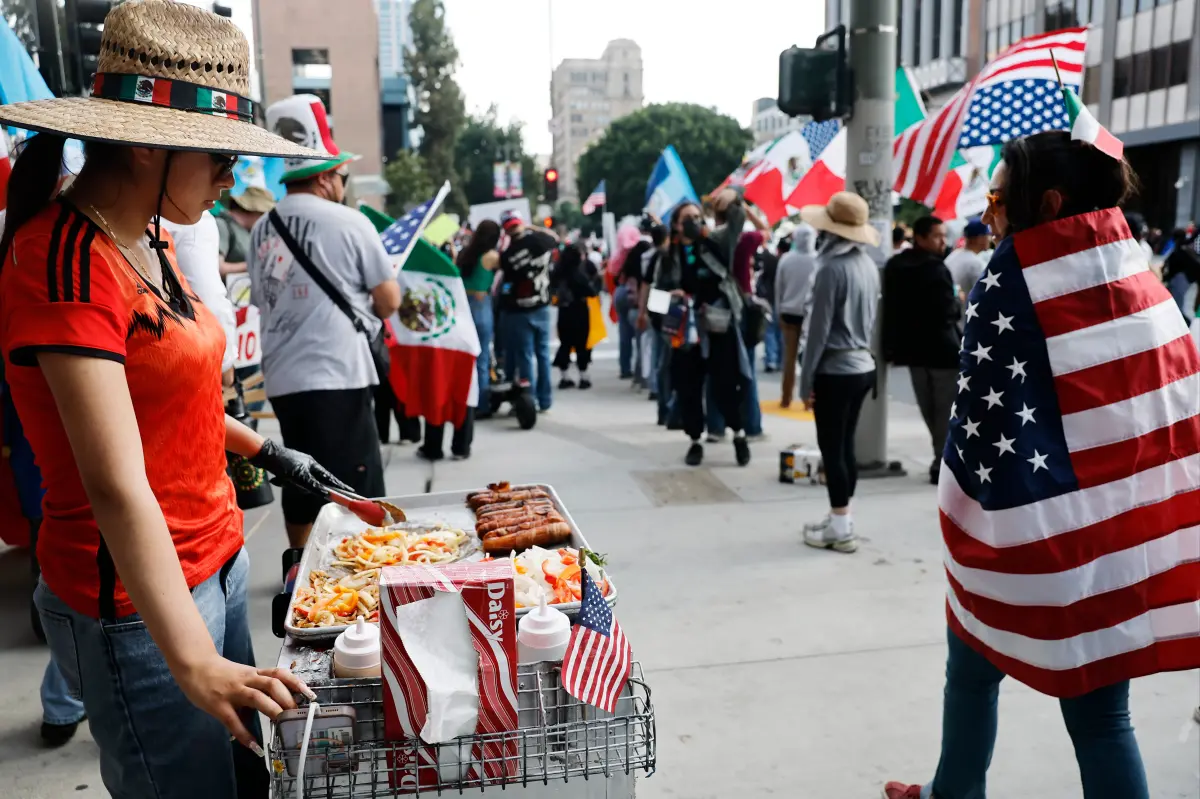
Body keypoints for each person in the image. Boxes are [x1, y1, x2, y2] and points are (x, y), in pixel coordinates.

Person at [0, 2, 343, 793]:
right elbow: (116, 483)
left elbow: (171, 398)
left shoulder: (151, 237)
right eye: (221, 157)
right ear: (149, 142)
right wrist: (192, 658)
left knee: (248, 778)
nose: (232, 178)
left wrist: (271, 452)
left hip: (216, 560)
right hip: (137, 605)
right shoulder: (62, 261)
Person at [882, 130, 1200, 799]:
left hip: (1034, 535)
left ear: (1048, 202)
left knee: (972, 670)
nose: (989, 210)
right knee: (1103, 719)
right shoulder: (1138, 277)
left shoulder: (1012, 280)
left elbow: (978, 428)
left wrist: (964, 518)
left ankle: (954, 792)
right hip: (1123, 539)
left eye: (998, 197)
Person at [249, 93, 401, 548]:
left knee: (300, 480)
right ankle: (367, 569)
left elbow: (262, 298)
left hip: (284, 378)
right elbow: (388, 301)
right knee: (356, 485)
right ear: (325, 175)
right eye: (342, 176)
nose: (342, 184)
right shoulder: (350, 223)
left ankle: (299, 566)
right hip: (338, 373)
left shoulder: (262, 228)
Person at [796, 192, 880, 552]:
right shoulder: (867, 265)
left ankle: (841, 528)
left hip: (835, 369)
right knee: (845, 446)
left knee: (832, 449)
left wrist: (805, 382)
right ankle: (841, 517)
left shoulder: (831, 269)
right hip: (862, 366)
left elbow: (818, 331)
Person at [653, 188, 752, 467]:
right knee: (689, 388)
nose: (694, 223)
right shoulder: (668, 256)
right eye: (688, 219)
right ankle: (695, 440)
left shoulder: (715, 243)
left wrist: (733, 197)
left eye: (698, 217)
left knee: (726, 384)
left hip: (718, 325)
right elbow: (655, 300)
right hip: (685, 332)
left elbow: (736, 221)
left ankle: (739, 434)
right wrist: (671, 298)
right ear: (676, 224)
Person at [882, 215, 961, 484]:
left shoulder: (894, 266)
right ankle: (942, 461)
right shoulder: (937, 270)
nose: (943, 242)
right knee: (944, 411)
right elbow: (948, 311)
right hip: (943, 352)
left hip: (913, 351)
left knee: (929, 410)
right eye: (938, 236)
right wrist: (958, 303)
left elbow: (890, 310)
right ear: (920, 237)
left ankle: (940, 457)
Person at [498, 211, 559, 412]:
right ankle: (545, 400)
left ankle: (528, 401)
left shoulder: (508, 255)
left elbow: (506, 282)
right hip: (542, 306)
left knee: (525, 357)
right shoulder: (541, 241)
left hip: (519, 310)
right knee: (543, 355)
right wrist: (533, 227)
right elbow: (555, 238)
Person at [456, 219, 501, 417]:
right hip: (482, 306)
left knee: (465, 359)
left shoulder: (464, 254)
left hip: (464, 308)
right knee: (482, 360)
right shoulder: (492, 257)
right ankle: (481, 404)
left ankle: (464, 400)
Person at [774, 223, 819, 407]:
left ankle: (786, 397)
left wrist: (778, 311)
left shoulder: (786, 259)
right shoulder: (817, 260)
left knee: (789, 358)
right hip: (809, 314)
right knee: (810, 358)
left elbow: (778, 288)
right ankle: (808, 399)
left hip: (788, 312)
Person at [552, 243, 600, 389]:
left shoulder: (558, 273)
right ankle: (583, 376)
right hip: (579, 311)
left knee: (565, 344)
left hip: (564, 311)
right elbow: (591, 291)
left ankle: (564, 377)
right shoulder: (579, 275)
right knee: (581, 345)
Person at [944, 218, 990, 302]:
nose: (990, 238)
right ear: (980, 238)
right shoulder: (976, 263)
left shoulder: (954, 255)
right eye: (988, 235)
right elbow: (985, 296)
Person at [1162, 227, 1200, 321]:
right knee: (1176, 302)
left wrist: (1165, 277)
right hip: (1187, 277)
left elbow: (1172, 266)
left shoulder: (1180, 249)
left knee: (1177, 304)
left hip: (1184, 277)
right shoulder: (1183, 247)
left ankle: (1184, 321)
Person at [756, 239, 782, 372]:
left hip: (769, 301)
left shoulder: (768, 269)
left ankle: (771, 359)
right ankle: (780, 360)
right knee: (779, 332)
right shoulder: (781, 265)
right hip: (781, 302)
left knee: (770, 331)